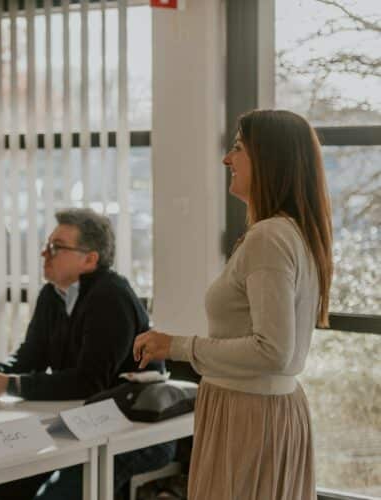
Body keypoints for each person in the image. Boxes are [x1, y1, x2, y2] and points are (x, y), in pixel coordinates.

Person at [134, 110, 332, 500]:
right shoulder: (291, 233)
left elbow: (272, 350)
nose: (227, 159)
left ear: (270, 159)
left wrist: (176, 346)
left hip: (248, 413)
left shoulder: (269, 238)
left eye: (239, 148)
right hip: (261, 409)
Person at [0, 208, 173, 500]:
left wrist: (9, 385)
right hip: (78, 424)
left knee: (56, 495)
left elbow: (90, 382)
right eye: (47, 245)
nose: (45, 253)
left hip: (137, 429)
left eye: (56, 247)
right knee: (0, 483)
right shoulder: (52, 295)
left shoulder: (111, 296)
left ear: (90, 259)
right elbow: (28, 360)